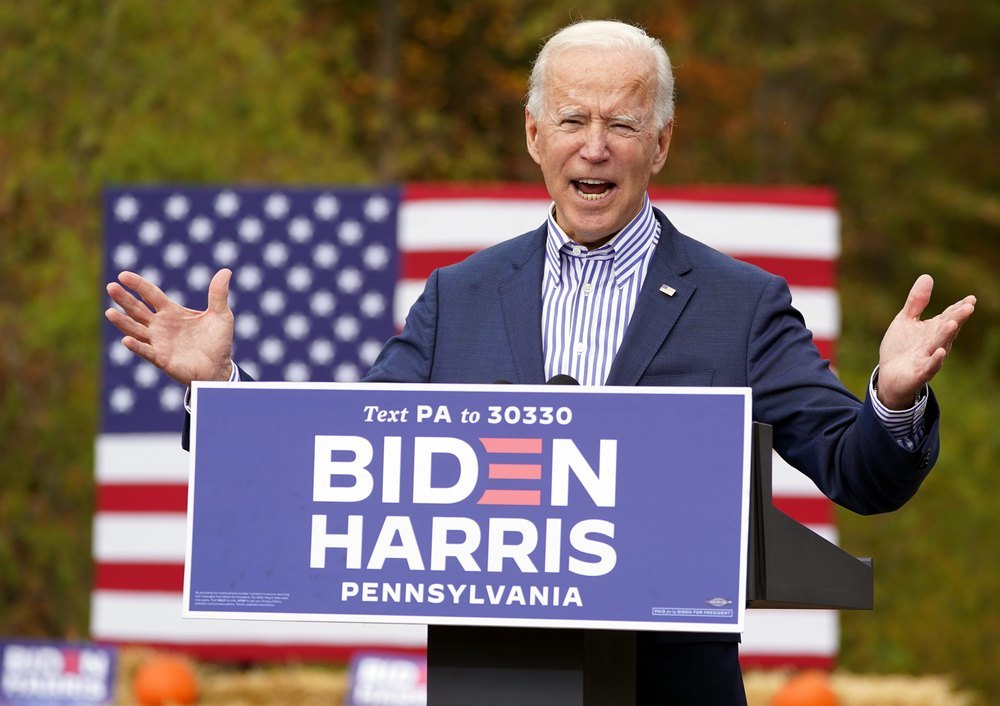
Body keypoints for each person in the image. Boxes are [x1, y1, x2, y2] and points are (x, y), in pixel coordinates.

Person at [106, 19, 976, 705]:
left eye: (621, 124)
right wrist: (224, 390)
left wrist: (892, 401)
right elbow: (349, 459)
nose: (594, 145)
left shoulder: (740, 303)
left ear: (660, 145)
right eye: (572, 119)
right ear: (534, 135)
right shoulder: (460, 297)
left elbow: (859, 474)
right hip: (491, 682)